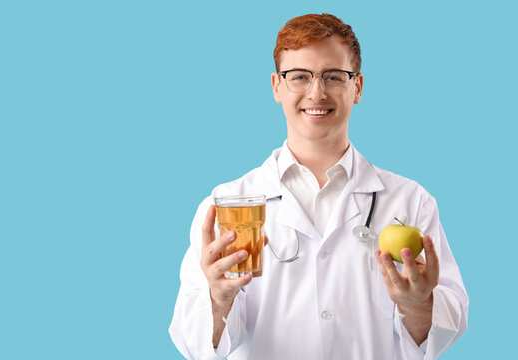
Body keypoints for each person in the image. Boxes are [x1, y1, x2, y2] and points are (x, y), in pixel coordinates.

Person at [168, 13, 468, 360]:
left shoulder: (411, 201)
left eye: (333, 76)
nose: (317, 92)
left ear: (357, 87)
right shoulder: (226, 204)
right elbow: (193, 342)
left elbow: (447, 325)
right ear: (276, 87)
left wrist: (418, 306)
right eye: (299, 76)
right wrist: (218, 301)